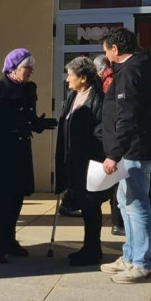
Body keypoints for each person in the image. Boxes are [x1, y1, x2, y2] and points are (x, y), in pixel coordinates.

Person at [0, 48, 57, 263]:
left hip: (21, 150)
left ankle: (10, 240)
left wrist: (39, 124)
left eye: (31, 68)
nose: (31, 71)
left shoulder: (28, 90)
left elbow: (29, 118)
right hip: (1, 152)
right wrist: (15, 124)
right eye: (27, 67)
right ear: (13, 70)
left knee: (16, 197)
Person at [99, 27, 151, 283]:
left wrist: (114, 153)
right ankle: (130, 255)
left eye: (106, 51)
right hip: (131, 150)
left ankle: (141, 262)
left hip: (134, 150)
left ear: (116, 49)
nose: (106, 57)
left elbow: (128, 116)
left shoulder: (131, 72)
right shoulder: (138, 67)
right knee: (125, 203)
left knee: (136, 205)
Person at [54, 57, 106, 266]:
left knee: (91, 205)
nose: (67, 80)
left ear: (83, 78)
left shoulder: (98, 99)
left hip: (89, 160)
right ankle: (88, 247)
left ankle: (93, 249)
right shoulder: (72, 95)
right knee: (83, 205)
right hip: (71, 159)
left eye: (71, 75)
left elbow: (101, 131)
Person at [94, 54, 124, 236]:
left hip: (109, 138)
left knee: (116, 184)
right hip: (110, 138)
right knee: (117, 185)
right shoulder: (112, 79)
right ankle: (118, 223)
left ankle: (117, 222)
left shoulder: (108, 80)